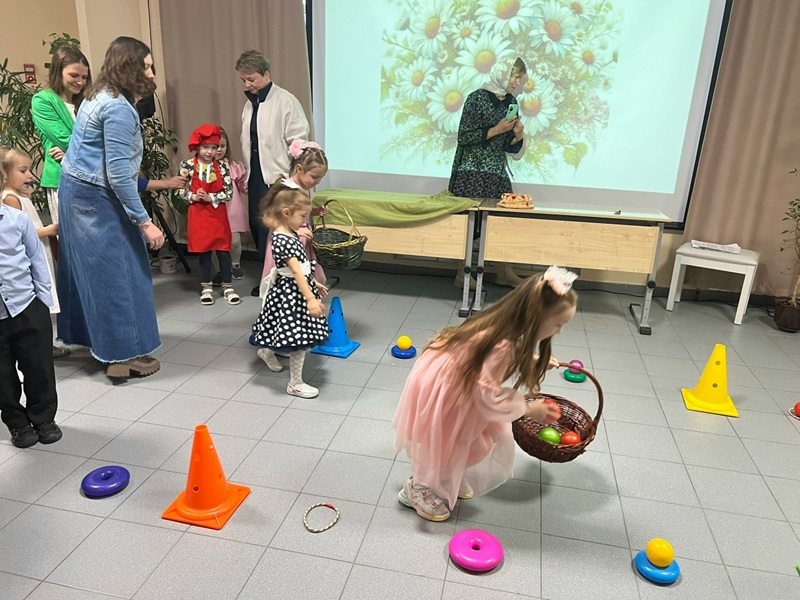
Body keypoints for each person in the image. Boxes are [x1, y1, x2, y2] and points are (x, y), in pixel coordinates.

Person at [393, 266, 578, 522]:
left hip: (459, 383)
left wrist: (534, 360)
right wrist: (527, 408)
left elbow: (497, 362)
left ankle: (444, 476)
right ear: (537, 317)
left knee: (468, 440)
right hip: (453, 390)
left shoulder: (510, 326)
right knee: (447, 440)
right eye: (559, 323)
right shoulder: (503, 344)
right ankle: (417, 488)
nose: (559, 330)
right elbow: (487, 393)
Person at [57, 36, 165, 379]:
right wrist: (145, 222)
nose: (152, 74)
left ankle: (98, 342)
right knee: (121, 274)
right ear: (130, 67)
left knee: (90, 271)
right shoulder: (118, 108)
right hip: (96, 196)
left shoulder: (97, 93)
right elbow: (118, 175)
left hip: (75, 190)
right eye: (146, 66)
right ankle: (122, 356)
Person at [236, 49, 310, 295]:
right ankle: (268, 277)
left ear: (266, 74)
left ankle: (284, 281)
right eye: (243, 80)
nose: (247, 84)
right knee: (259, 226)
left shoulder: (286, 101)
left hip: (279, 178)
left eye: (251, 79)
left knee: (280, 231)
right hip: (256, 174)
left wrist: (294, 180)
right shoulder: (249, 105)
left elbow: (299, 142)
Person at [449, 56, 528, 288]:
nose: (517, 83)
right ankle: (463, 274)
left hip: (496, 174)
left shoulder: (511, 102)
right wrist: (496, 129)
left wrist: (517, 136)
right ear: (503, 73)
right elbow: (464, 137)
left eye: (519, 78)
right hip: (472, 172)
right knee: (469, 224)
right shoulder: (477, 98)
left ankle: (504, 272)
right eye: (515, 77)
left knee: (502, 223)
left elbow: (508, 147)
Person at [0, 165, 62, 448]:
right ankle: (17, 423)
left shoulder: (16, 220)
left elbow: (37, 259)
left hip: (27, 305)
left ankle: (43, 418)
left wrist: (43, 302)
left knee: (39, 368)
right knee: (3, 377)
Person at [251, 179, 329, 398]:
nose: (305, 221)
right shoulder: (283, 239)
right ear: (286, 213)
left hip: (293, 290)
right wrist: (311, 299)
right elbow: (295, 272)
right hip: (292, 295)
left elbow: (300, 268)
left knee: (282, 329)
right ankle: (295, 384)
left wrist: (314, 282)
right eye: (302, 217)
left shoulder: (290, 232)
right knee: (299, 340)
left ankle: (266, 351)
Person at [0, 147, 66, 359]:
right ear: (4, 174)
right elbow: (19, 235)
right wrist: (50, 229)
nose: (30, 175)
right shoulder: (10, 199)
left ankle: (45, 343)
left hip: (39, 252)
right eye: (22, 171)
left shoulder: (20, 196)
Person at [176, 124, 240, 305]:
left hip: (217, 215)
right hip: (198, 215)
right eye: (205, 147)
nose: (210, 152)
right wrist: (192, 196)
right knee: (203, 252)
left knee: (223, 251)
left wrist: (210, 197)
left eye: (214, 147)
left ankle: (228, 287)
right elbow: (177, 190)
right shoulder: (187, 166)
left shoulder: (222, 167)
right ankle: (206, 287)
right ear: (197, 147)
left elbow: (228, 193)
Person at [31, 46, 91, 226]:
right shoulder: (43, 100)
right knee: (71, 234)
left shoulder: (86, 101)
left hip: (91, 176)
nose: (80, 82)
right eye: (74, 75)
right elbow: (66, 140)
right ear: (58, 71)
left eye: (84, 77)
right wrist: (95, 148)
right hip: (63, 178)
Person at [261, 139, 329, 285]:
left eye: (321, 178)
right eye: (315, 177)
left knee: (305, 278)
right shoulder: (287, 189)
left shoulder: (307, 187)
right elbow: (268, 217)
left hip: (303, 241)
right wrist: (296, 232)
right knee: (288, 279)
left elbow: (299, 212)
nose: (318, 181)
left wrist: (316, 211)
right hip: (286, 242)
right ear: (299, 169)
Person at [210, 127, 249, 282]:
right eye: (215, 146)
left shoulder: (234, 166)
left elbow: (244, 186)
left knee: (235, 242)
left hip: (233, 211)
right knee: (215, 244)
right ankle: (219, 270)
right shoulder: (204, 167)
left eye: (222, 146)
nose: (219, 150)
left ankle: (235, 264)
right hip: (213, 212)